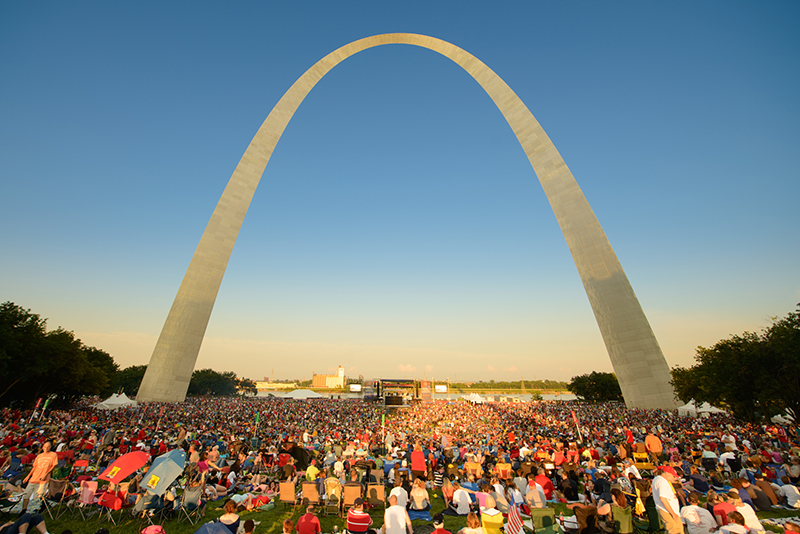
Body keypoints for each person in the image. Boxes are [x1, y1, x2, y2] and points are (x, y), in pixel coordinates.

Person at [22, 442, 58, 506]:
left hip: (43, 479)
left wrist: (46, 474)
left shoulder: (53, 455)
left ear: (50, 447)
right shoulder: (39, 456)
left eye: (48, 447)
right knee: (26, 494)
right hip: (34, 478)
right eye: (45, 447)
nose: (46, 448)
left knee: (38, 496)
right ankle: (24, 510)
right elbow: (34, 467)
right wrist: (28, 476)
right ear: (42, 447)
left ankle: (39, 507)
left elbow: (53, 466)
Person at [652, 466, 682, 534]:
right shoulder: (663, 482)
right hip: (667, 511)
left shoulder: (657, 479)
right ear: (667, 474)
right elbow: (663, 499)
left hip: (665, 509)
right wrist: (673, 514)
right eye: (673, 476)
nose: (675, 479)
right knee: (675, 530)